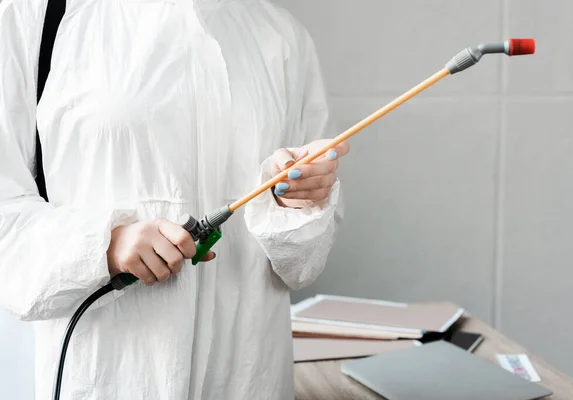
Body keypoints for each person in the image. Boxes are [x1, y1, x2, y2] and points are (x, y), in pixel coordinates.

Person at [0, 0, 348, 398]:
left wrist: (297, 204)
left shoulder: (281, 36)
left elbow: (303, 267)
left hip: (250, 377)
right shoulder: (37, 14)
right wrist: (103, 245)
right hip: (111, 376)